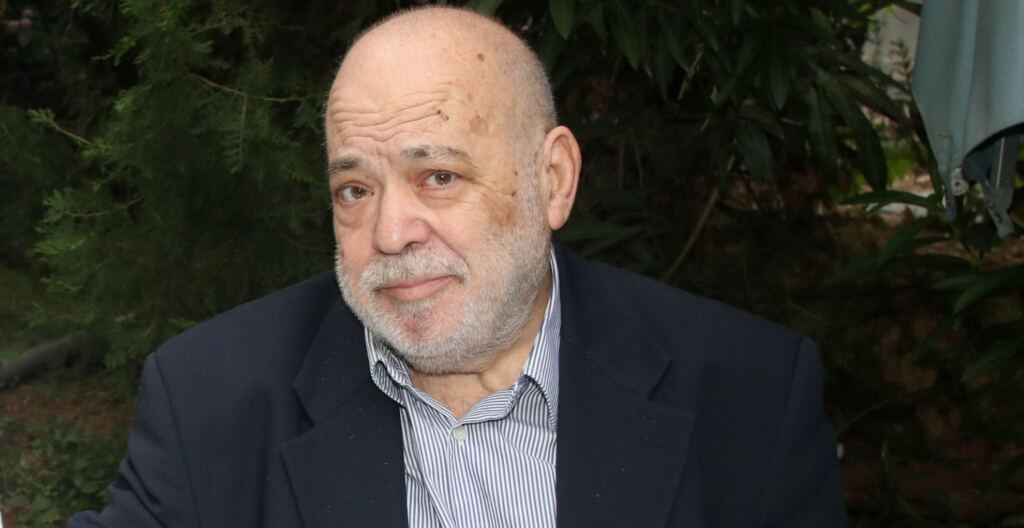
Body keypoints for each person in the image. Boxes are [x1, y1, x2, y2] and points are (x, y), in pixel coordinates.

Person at [70, 6, 846, 527]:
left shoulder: (748, 398)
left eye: (438, 176)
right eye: (354, 189)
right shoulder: (212, 401)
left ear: (553, 180)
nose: (390, 232)